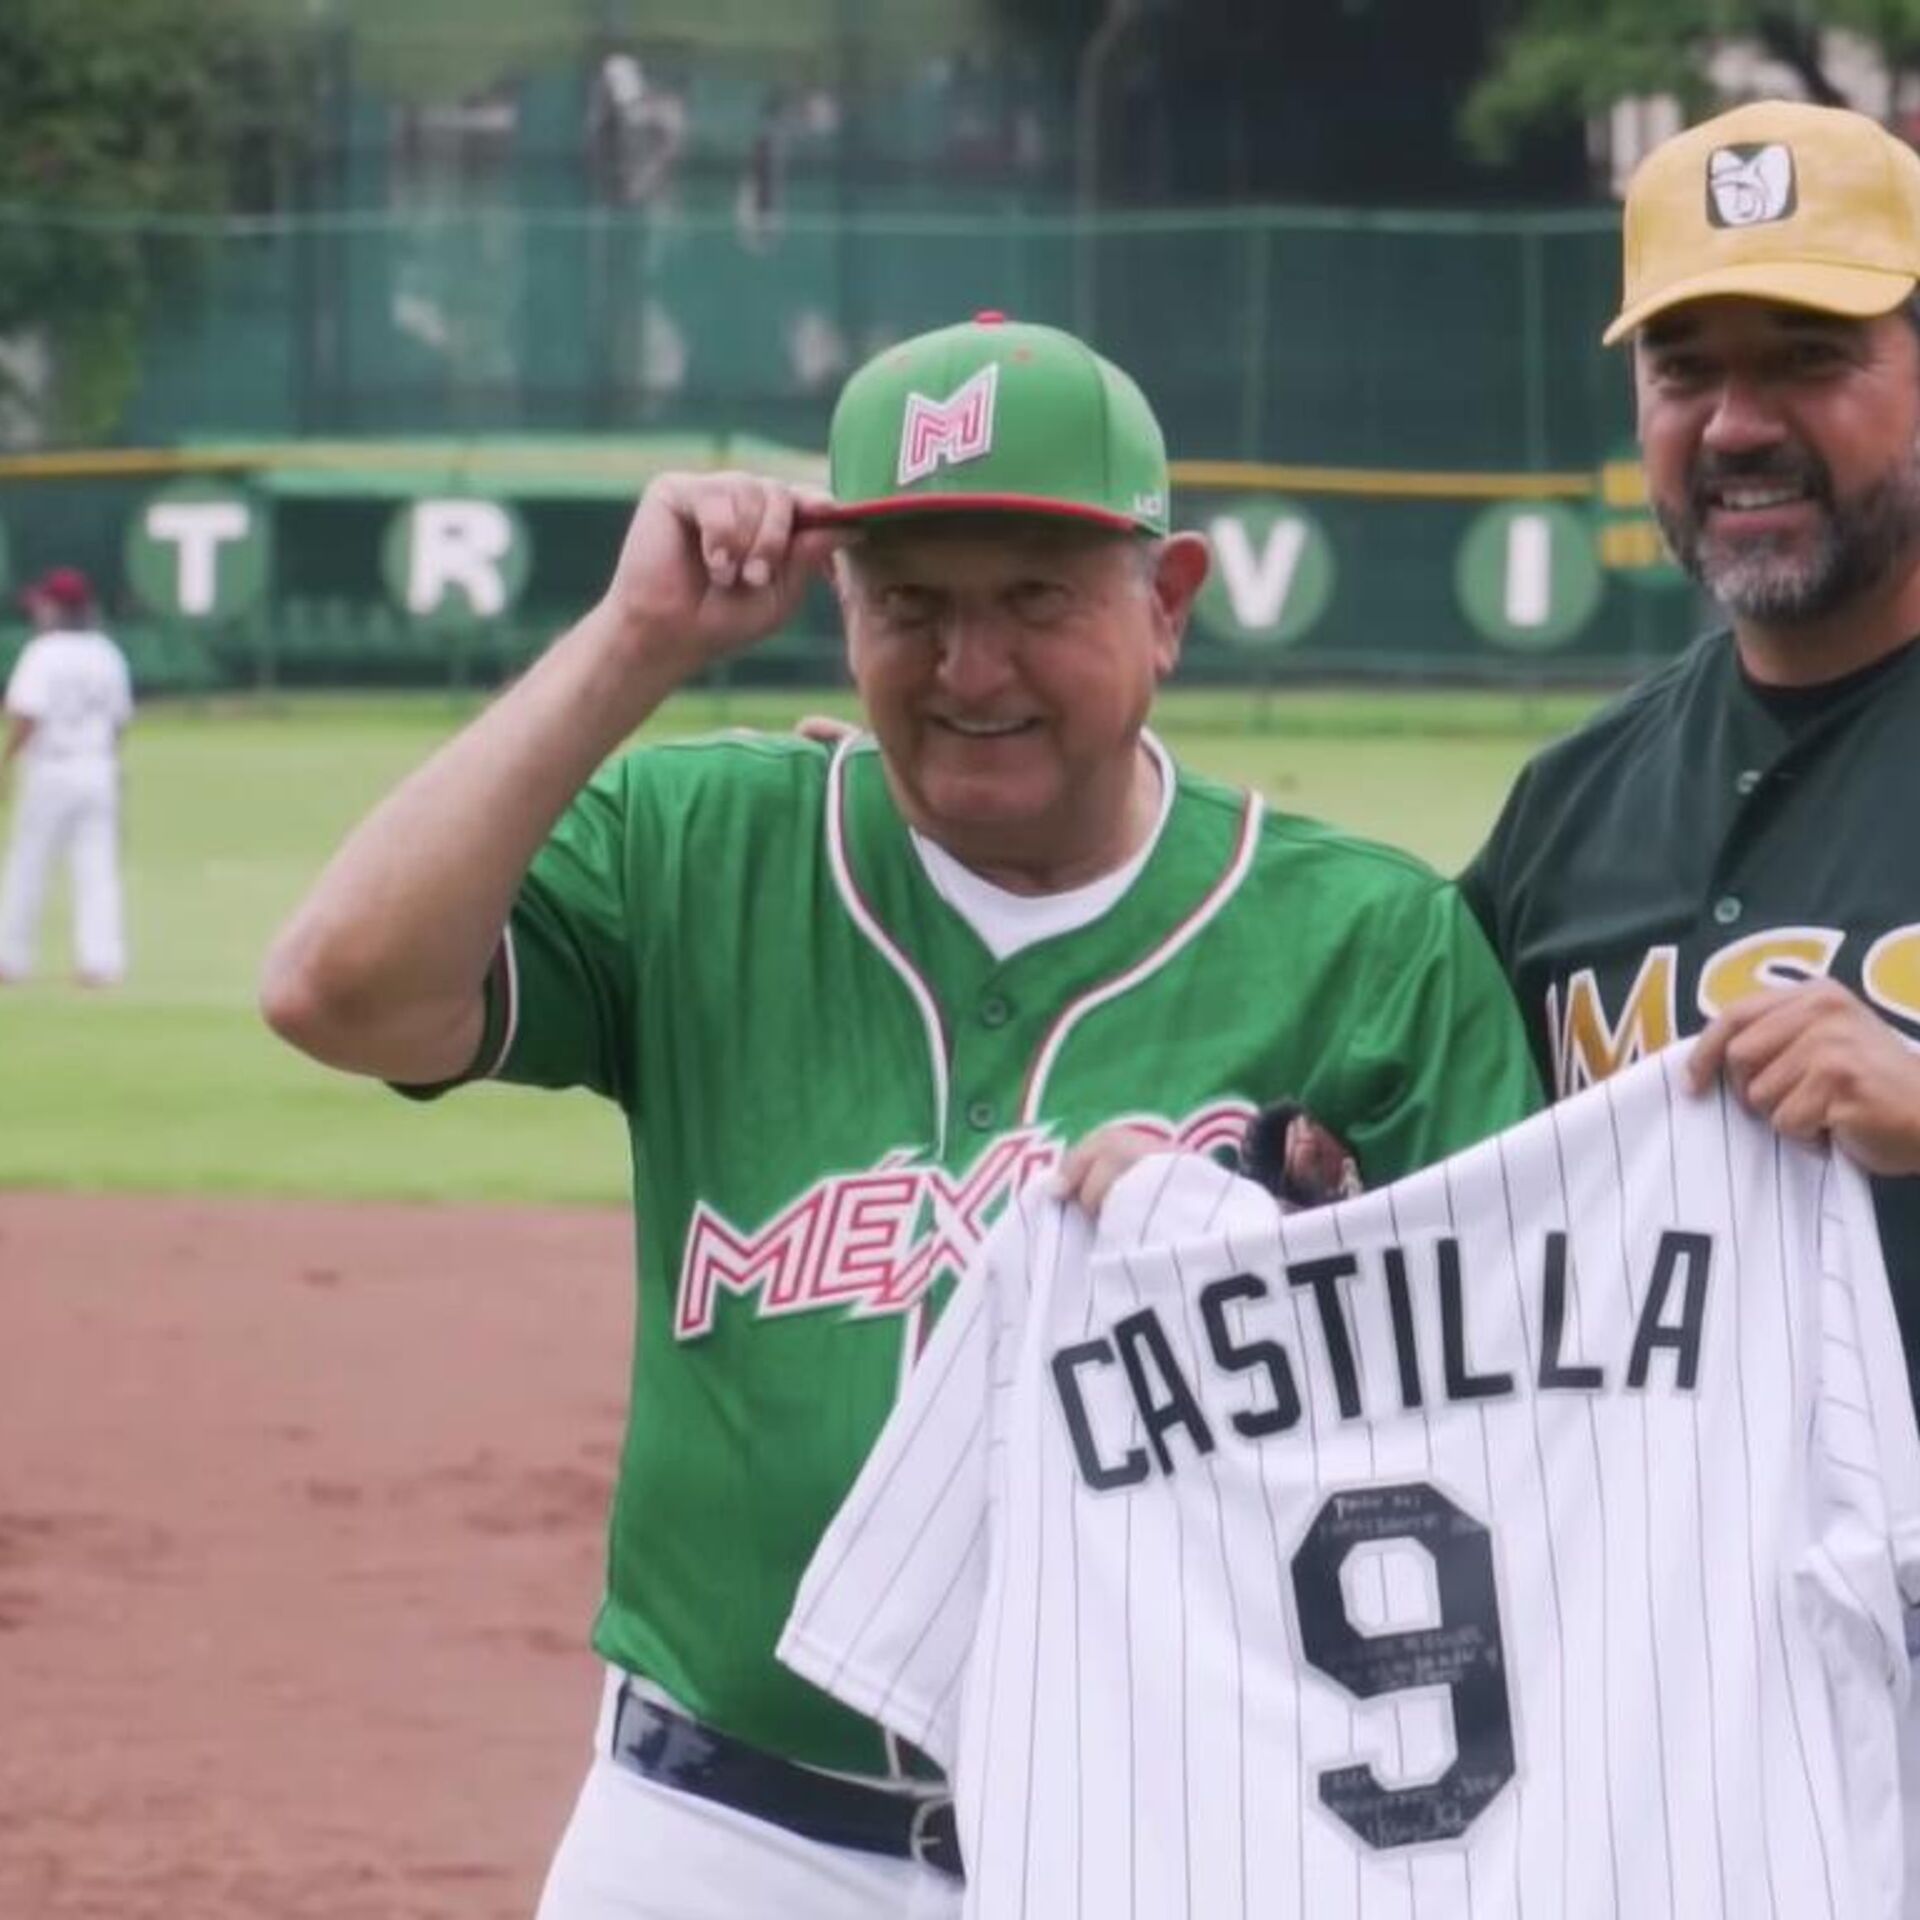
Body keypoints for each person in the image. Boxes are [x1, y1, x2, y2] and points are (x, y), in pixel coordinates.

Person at [259, 311, 1539, 1920]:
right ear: (837, 603)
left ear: (1170, 604)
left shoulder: (1371, 943)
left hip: (1168, 1836)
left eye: (1033, 600)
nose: (969, 668)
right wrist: (633, 645)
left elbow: (1533, 1441)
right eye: (910, 605)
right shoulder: (700, 844)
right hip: (718, 1831)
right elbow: (342, 991)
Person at [1458, 97, 1920, 1406]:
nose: (1734, 424)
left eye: (1808, 356)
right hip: (1656, 1594)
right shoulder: (1568, 808)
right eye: (1683, 368)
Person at [0, 566, 134, 986]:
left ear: (58, 608)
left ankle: (10, 958)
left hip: (51, 768)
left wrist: (5, 762)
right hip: (97, 765)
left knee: (29, 863)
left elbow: (26, 715)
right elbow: (118, 721)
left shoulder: (44, 652)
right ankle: (101, 962)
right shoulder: (106, 652)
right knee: (97, 868)